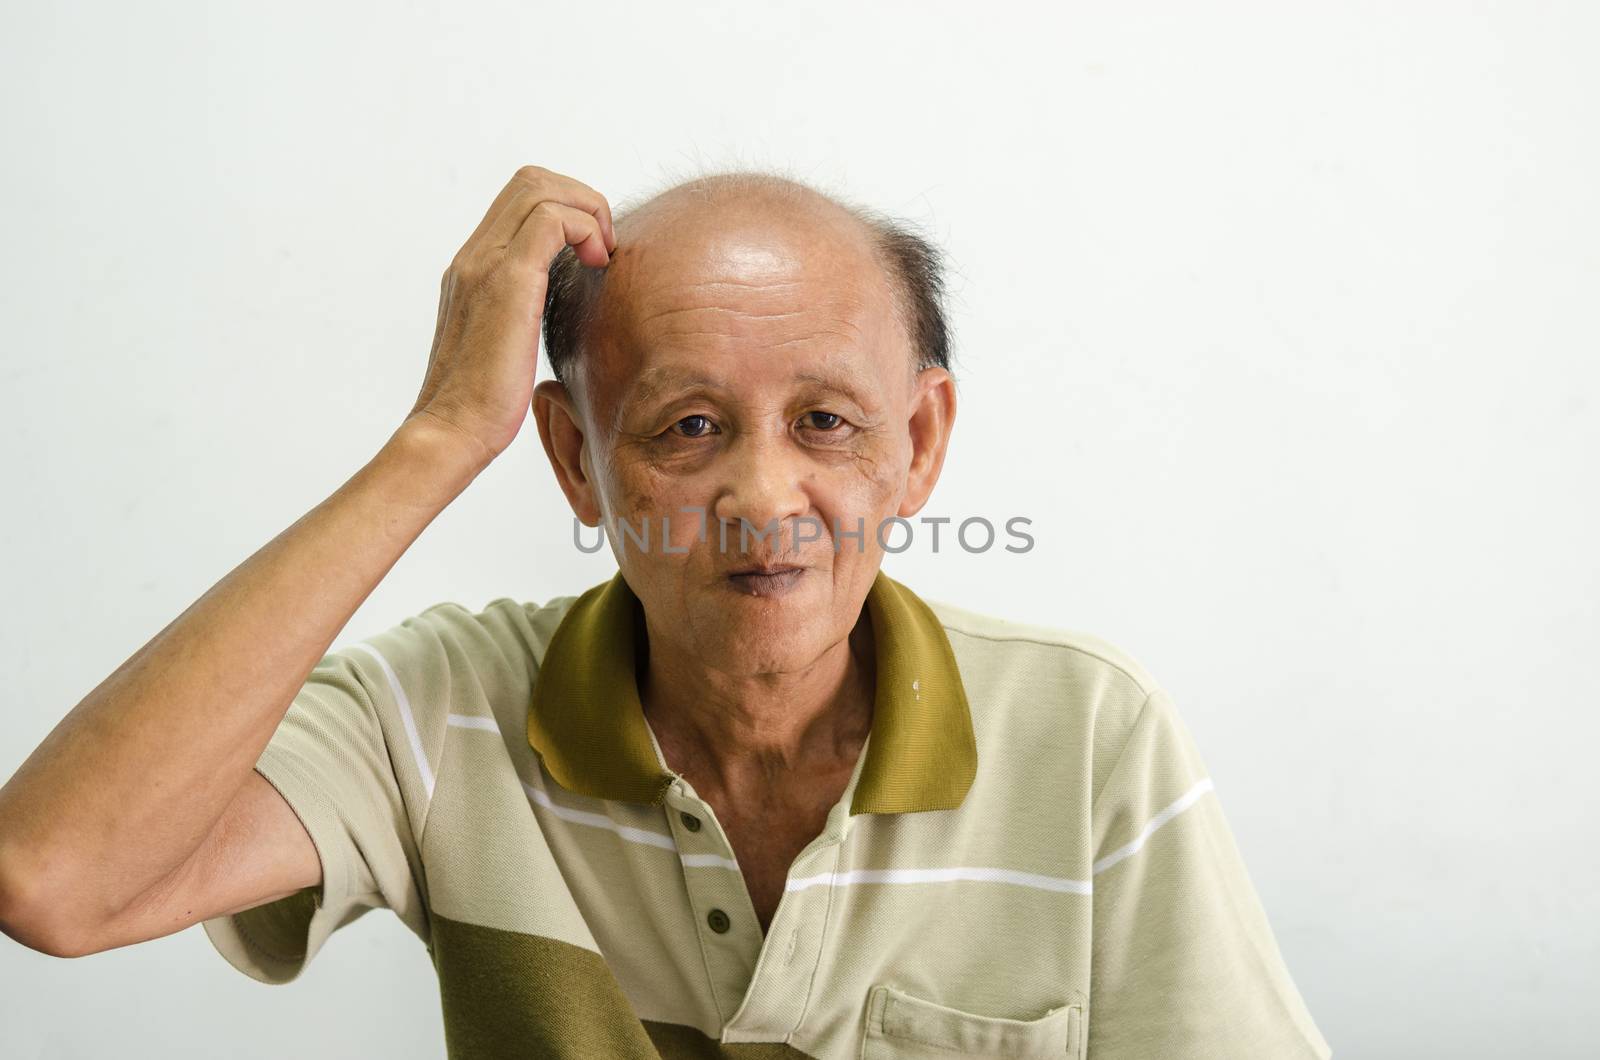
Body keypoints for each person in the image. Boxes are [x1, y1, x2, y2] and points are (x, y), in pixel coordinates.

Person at [0, 164, 1333, 1058]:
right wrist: (439, 437)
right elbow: (55, 879)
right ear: (578, 462)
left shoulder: (1086, 730)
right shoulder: (445, 711)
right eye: (687, 428)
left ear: (918, 445)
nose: (764, 495)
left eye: (825, 421)